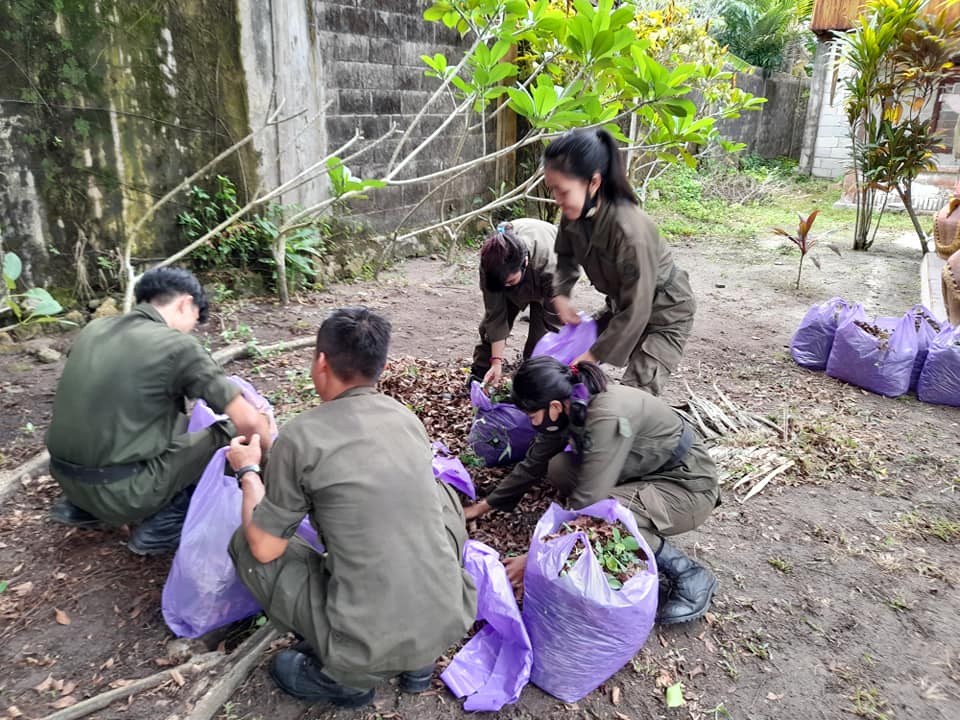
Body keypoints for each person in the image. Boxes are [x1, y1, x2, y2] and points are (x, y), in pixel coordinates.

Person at [226, 307, 476, 708]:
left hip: (365, 643)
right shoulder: (404, 417)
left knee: (247, 541)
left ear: (320, 362)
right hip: (449, 618)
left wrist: (249, 472)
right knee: (439, 495)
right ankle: (418, 662)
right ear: (381, 366)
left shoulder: (301, 436)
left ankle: (348, 680)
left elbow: (265, 549)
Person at [464, 356, 720, 625]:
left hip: (687, 487)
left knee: (610, 514)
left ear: (552, 406)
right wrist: (486, 505)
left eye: (531, 416)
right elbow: (535, 462)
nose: (532, 423)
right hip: (647, 470)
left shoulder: (605, 415)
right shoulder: (571, 402)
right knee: (559, 467)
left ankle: (690, 574)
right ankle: (633, 504)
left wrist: (535, 560)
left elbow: (588, 504)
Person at [45, 267, 273, 555]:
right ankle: (163, 525)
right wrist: (266, 463)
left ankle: (83, 507)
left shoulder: (94, 330)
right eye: (194, 320)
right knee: (230, 433)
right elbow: (248, 420)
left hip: (66, 477)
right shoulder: (176, 346)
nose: (192, 328)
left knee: (176, 419)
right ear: (184, 303)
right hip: (121, 493)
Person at [543, 128, 696, 395]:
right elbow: (565, 257)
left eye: (563, 191)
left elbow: (638, 309)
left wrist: (593, 355)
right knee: (564, 363)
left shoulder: (630, 232)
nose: (557, 200)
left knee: (633, 395)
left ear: (593, 182)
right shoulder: (574, 214)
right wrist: (562, 294)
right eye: (552, 190)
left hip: (664, 313)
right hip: (622, 306)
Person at [470, 219, 562, 387]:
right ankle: (480, 376)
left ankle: (532, 382)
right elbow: (496, 316)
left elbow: (555, 322)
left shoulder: (551, 264)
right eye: (502, 283)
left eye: (510, 281)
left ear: (524, 263)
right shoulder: (490, 264)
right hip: (516, 273)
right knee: (488, 329)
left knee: (542, 339)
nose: (506, 285)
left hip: (551, 272)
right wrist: (496, 362)